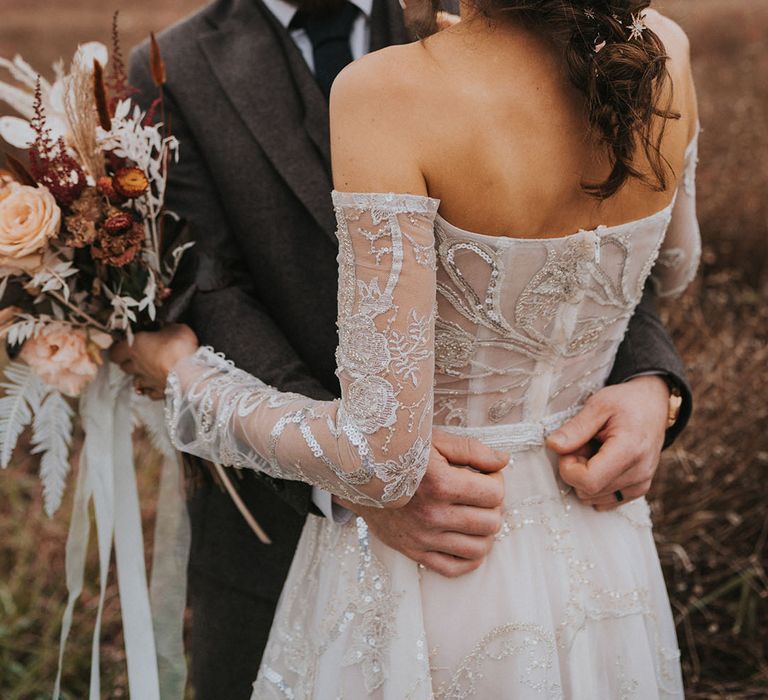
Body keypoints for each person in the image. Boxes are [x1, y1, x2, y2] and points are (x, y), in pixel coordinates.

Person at [122, 0, 696, 695]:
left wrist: (651, 385)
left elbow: (606, 271)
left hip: (491, 549)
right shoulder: (170, 64)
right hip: (288, 540)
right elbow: (203, 286)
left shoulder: (409, 73)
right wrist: (352, 486)